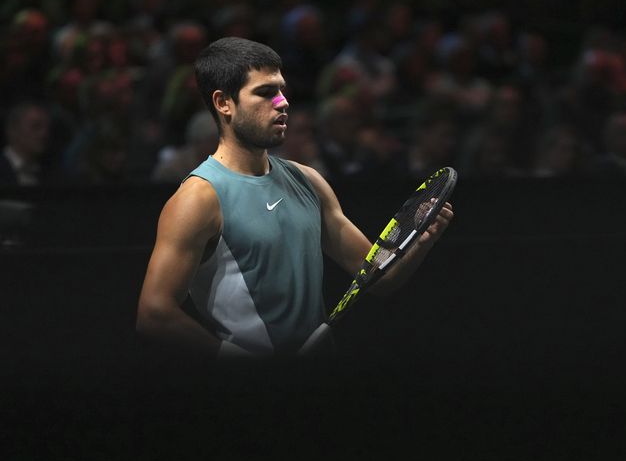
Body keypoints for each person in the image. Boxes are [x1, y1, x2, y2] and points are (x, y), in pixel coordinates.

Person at [135, 37, 453, 360]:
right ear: (223, 103)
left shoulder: (309, 181)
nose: (282, 102)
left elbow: (380, 279)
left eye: (282, 90)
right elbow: (154, 313)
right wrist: (239, 362)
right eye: (265, 92)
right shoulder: (198, 198)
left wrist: (422, 239)